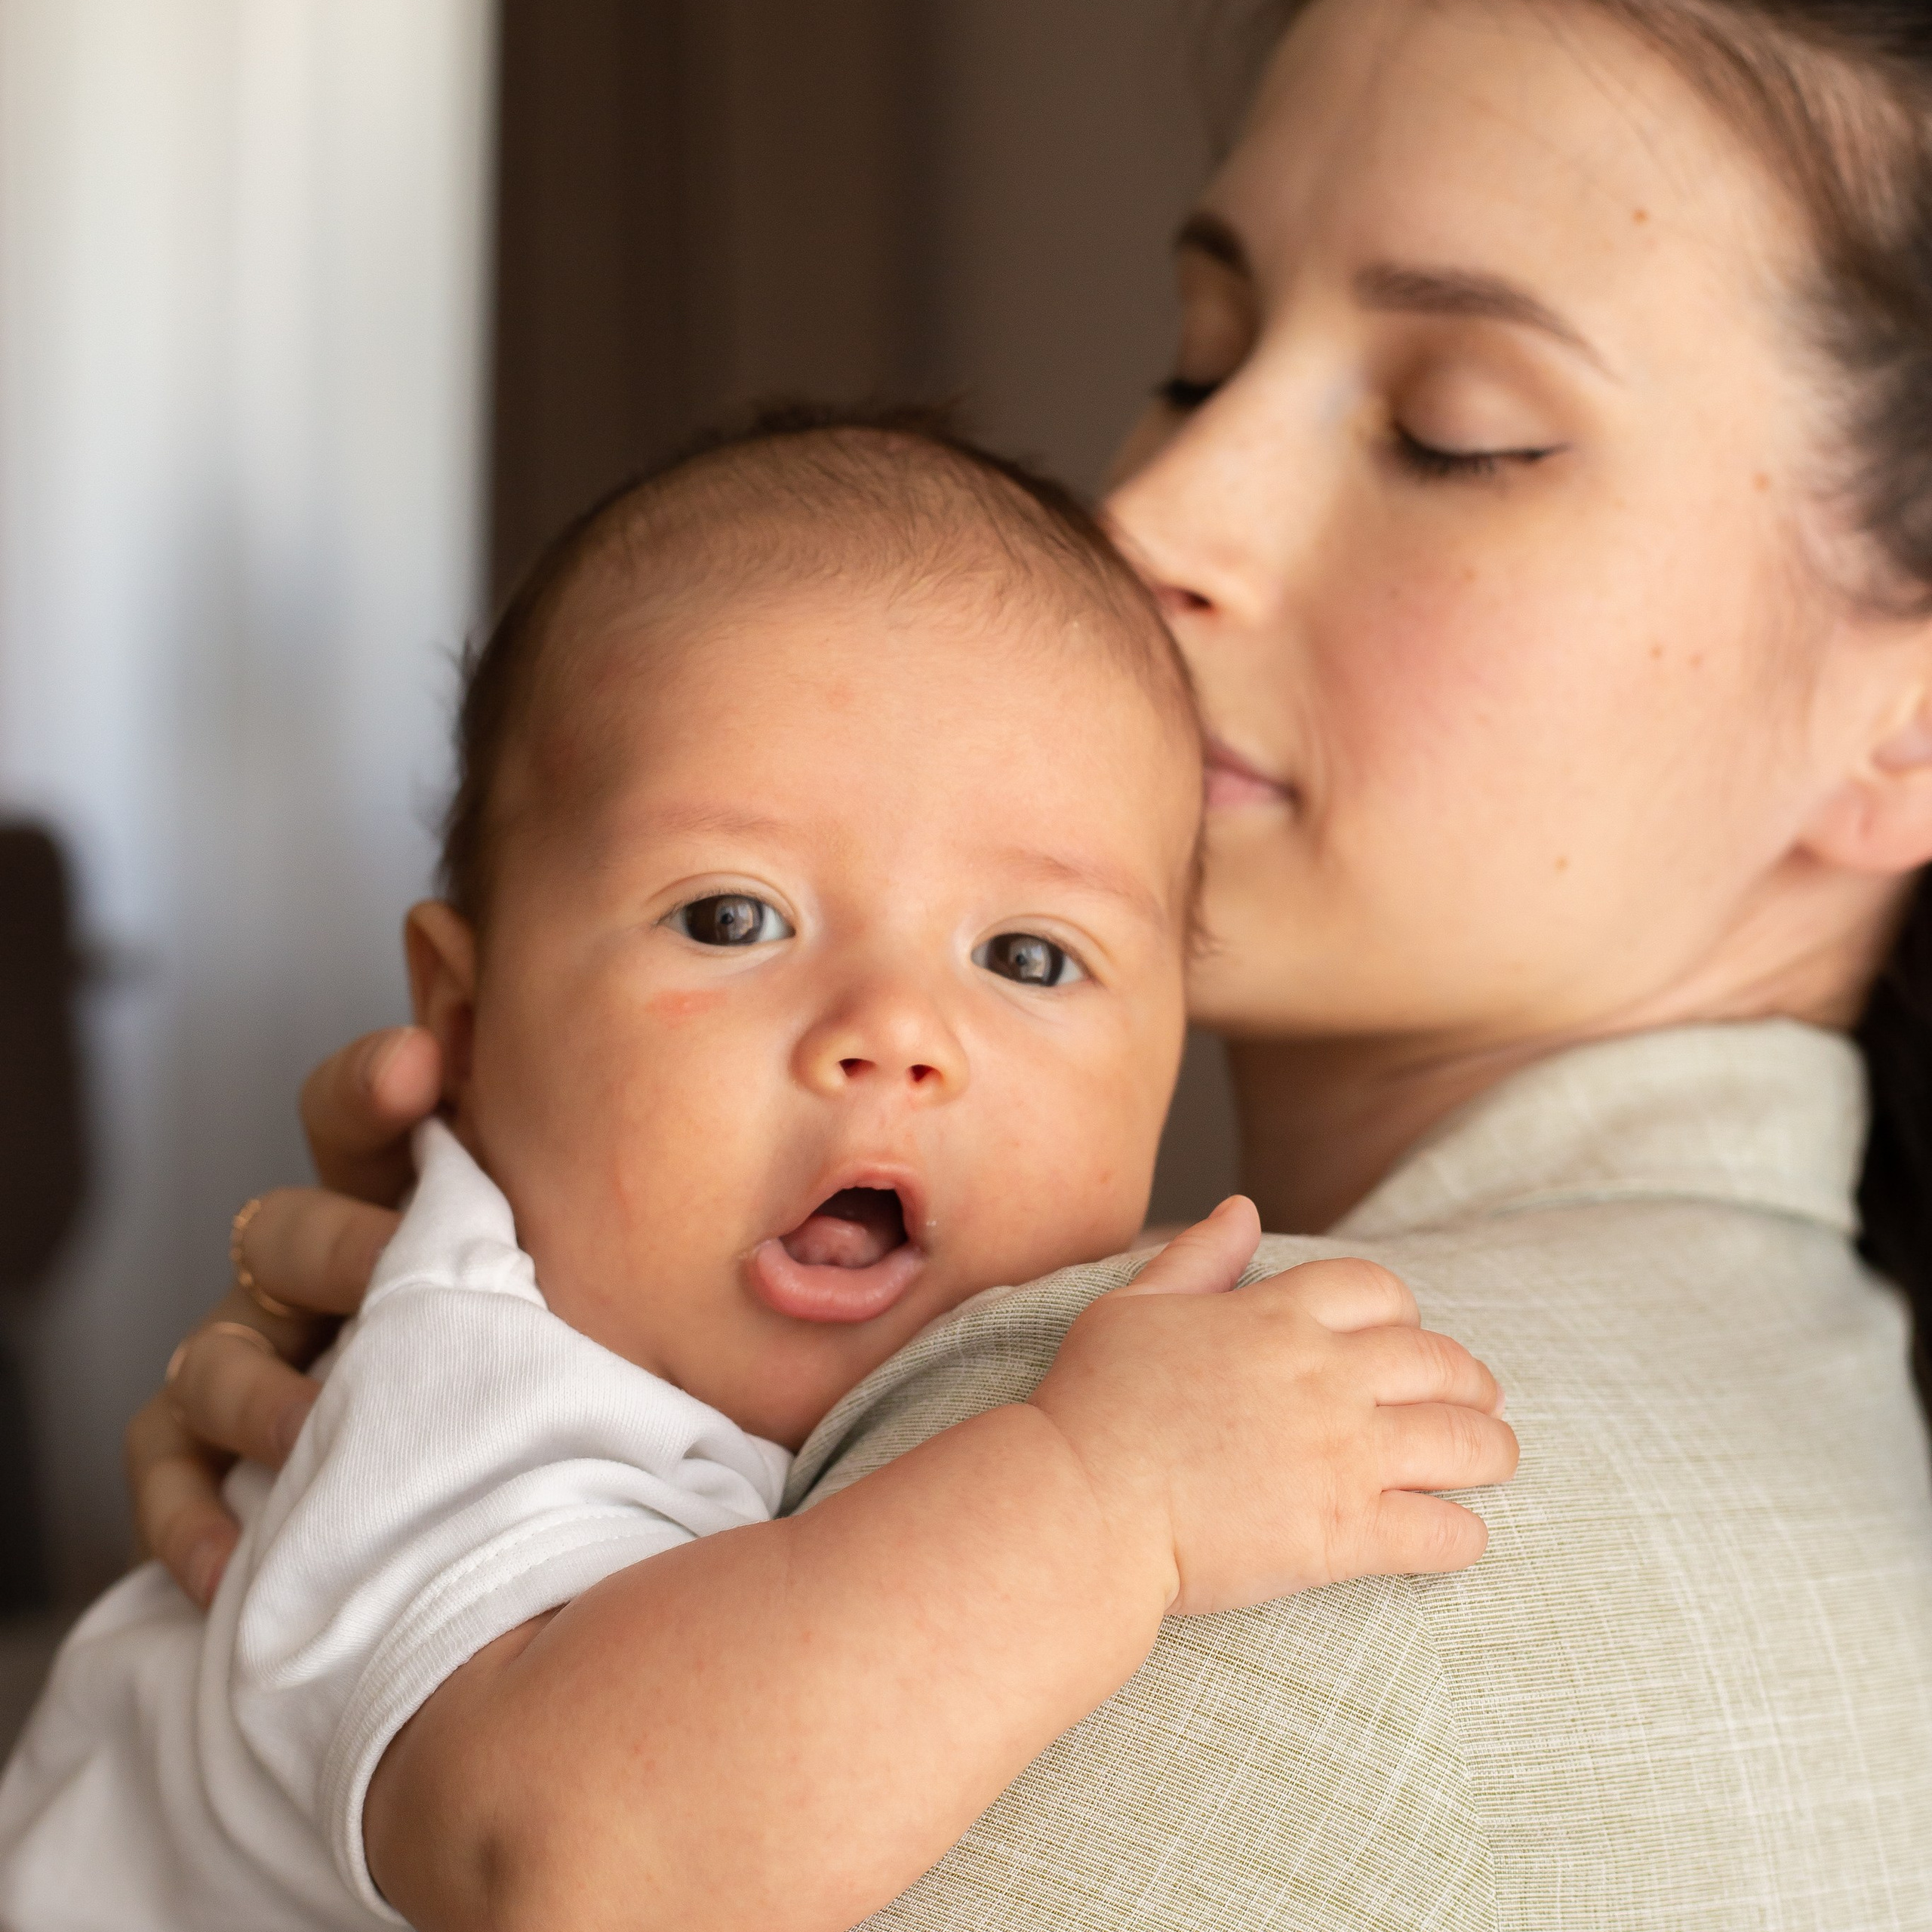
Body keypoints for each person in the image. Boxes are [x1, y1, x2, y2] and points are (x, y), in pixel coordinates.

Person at [129, 0, 1932, 1924]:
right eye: (1196, 358)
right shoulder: (1825, 1413)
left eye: (1447, 435)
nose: (1144, 519)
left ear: (1904, 720)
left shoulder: (1285, 1470)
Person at [0, 417, 1513, 1931]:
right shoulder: (473, 1387)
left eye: (1027, 955)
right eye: (732, 917)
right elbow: (582, 1857)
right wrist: (1104, 1496)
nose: (893, 1031)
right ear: (463, 1023)